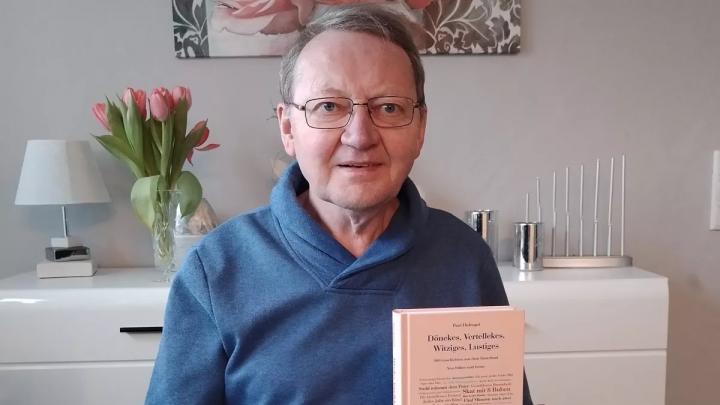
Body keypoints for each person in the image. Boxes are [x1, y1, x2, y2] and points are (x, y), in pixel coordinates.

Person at [146, 5, 533, 405]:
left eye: (389, 107)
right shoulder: (216, 270)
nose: (360, 136)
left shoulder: (465, 257)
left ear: (420, 128)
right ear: (288, 128)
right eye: (328, 107)